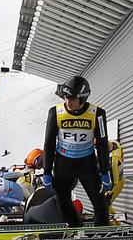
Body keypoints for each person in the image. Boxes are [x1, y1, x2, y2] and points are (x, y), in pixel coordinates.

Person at [42, 75, 111, 227]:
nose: (68, 102)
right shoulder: (55, 112)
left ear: (82, 98)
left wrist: (105, 171)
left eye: (72, 99)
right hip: (63, 163)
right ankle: (76, 230)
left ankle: (102, 237)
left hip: (87, 164)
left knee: (100, 204)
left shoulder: (97, 113)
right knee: (63, 202)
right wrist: (46, 171)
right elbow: (49, 143)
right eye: (66, 97)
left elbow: (102, 143)